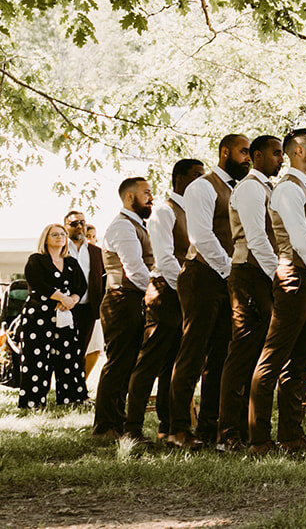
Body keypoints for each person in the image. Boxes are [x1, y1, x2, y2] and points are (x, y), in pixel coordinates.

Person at [248, 129, 306, 453]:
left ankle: (290, 436)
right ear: (299, 150)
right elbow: (300, 239)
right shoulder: (287, 189)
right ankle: (259, 439)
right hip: (293, 278)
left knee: (300, 363)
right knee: (272, 359)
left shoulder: (304, 188)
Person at [168, 134, 250, 449]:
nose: (247, 158)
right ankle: (177, 429)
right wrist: (231, 272)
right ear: (225, 152)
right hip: (202, 276)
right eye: (243, 152)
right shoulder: (202, 186)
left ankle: (210, 427)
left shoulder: (239, 190)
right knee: (192, 352)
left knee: (221, 356)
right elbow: (201, 235)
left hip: (227, 280)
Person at [123, 159, 202, 443]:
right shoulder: (164, 212)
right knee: (150, 362)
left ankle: (168, 427)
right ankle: (131, 428)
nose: (200, 181)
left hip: (186, 292)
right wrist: (184, 289)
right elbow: (166, 258)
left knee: (175, 363)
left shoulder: (194, 211)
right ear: (179, 178)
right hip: (165, 291)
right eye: (196, 176)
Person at [216, 136, 283, 451]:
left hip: (261, 275)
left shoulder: (269, 188)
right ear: (258, 156)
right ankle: (228, 433)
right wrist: (278, 277)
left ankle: (249, 429)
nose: (281, 158)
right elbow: (257, 238)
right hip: (249, 274)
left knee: (259, 354)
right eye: (275, 153)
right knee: (242, 354)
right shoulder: (251, 189)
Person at [91, 176, 155, 438]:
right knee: (118, 363)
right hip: (121, 300)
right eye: (146, 193)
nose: (151, 197)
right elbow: (135, 270)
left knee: (127, 364)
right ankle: (105, 426)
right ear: (130, 197)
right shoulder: (122, 227)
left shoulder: (138, 225)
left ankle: (117, 422)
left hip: (132, 300)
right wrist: (158, 290)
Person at [15, 224, 90, 409]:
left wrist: (72, 299)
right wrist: (62, 297)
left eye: (62, 234)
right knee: (36, 359)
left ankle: (72, 398)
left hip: (64, 315)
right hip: (38, 316)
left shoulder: (71, 262)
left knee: (69, 357)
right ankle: (33, 402)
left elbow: (81, 286)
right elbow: (37, 283)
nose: (60, 237)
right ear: (45, 238)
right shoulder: (37, 260)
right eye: (54, 234)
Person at [62, 207, 104, 377]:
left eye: (82, 222)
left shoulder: (96, 252)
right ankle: (65, 388)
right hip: (64, 307)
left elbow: (102, 279)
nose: (79, 226)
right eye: (74, 223)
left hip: (88, 307)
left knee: (83, 349)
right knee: (65, 350)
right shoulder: (61, 249)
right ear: (66, 226)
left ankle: (79, 387)